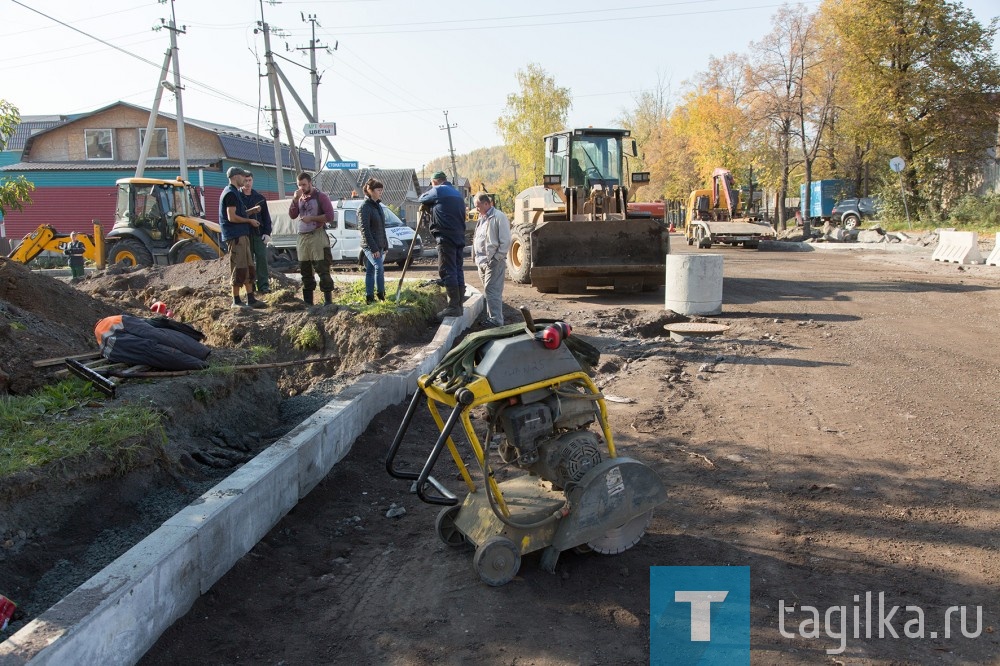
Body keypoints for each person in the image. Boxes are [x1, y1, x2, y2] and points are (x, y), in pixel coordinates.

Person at [418, 170, 466, 318]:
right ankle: (459, 305)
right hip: (459, 235)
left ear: (435, 182)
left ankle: (453, 306)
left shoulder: (439, 190)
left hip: (445, 237)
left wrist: (429, 202)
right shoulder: (457, 193)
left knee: (447, 269)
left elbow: (422, 198)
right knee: (457, 269)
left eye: (432, 184)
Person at [219, 166, 266, 309]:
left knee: (248, 266)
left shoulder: (235, 193)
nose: (245, 179)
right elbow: (231, 217)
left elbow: (238, 213)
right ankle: (236, 300)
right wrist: (249, 220)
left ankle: (251, 298)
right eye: (242, 176)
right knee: (238, 267)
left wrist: (250, 212)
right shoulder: (230, 194)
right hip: (236, 236)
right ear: (235, 176)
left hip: (242, 235)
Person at [289, 171, 336, 305]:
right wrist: (294, 199)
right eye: (299, 185)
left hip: (317, 234)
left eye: (304, 184)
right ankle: (308, 304)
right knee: (305, 270)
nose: (302, 188)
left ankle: (328, 303)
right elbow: (292, 215)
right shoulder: (299, 198)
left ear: (310, 183)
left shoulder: (321, 197)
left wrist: (312, 218)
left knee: (322, 268)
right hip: (303, 237)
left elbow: (330, 216)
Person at [472, 193, 511, 326]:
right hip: (481, 261)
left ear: (486, 204)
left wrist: (496, 258)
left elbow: (505, 240)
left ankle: (496, 320)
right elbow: (478, 237)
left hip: (493, 261)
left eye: (478, 206)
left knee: (492, 290)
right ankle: (492, 318)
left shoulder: (499, 217)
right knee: (488, 290)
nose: (476, 209)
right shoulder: (482, 218)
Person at [358, 178, 389, 304]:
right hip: (370, 246)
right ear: (370, 191)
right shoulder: (364, 207)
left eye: (381, 190)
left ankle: (369, 297)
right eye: (378, 190)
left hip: (380, 244)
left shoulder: (378, 206)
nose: (380, 192)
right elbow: (364, 230)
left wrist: (385, 244)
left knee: (370, 270)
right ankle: (381, 296)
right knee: (379, 268)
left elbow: (382, 227)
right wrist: (374, 248)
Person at [241, 172, 273, 294]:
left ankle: (264, 286)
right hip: (245, 234)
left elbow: (266, 218)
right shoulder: (237, 197)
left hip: (258, 234)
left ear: (252, 181)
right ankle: (250, 286)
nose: (247, 183)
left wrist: (267, 233)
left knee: (261, 260)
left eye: (249, 180)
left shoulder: (259, 198)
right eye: (245, 180)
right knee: (248, 261)